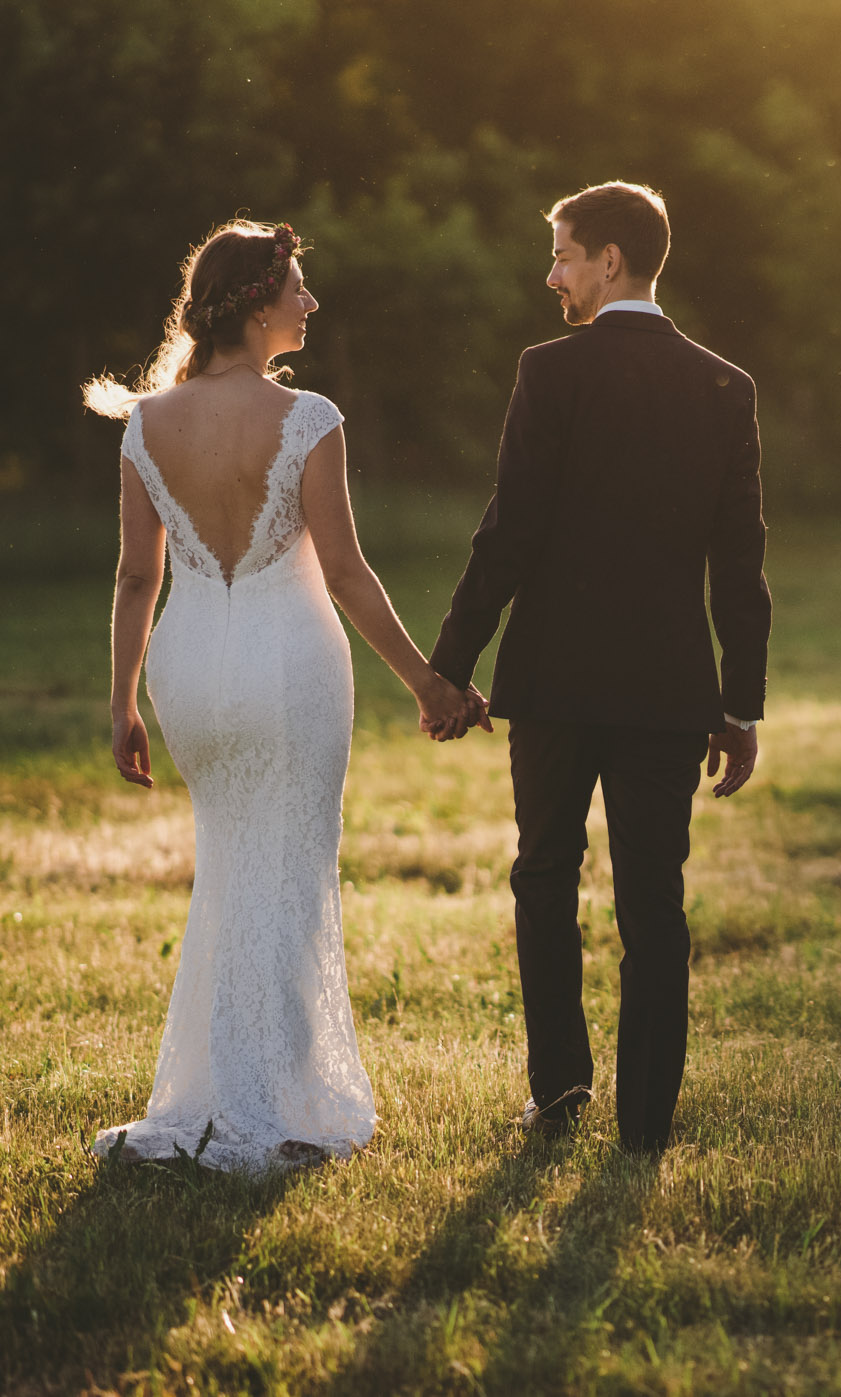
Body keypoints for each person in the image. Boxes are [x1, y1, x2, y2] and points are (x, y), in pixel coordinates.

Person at [83, 220, 486, 1174]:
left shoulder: (148, 424)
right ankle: (264, 1116)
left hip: (190, 671)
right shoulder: (310, 421)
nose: (310, 303)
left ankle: (218, 1096)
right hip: (289, 666)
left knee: (229, 871)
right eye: (299, 288)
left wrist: (122, 704)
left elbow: (136, 580)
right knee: (289, 880)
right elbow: (344, 571)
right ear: (258, 304)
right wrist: (427, 681)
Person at [430, 181, 772, 1155]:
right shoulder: (724, 384)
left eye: (565, 256)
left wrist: (450, 665)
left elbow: (509, 534)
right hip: (669, 690)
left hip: (555, 680)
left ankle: (562, 1087)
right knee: (653, 901)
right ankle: (647, 1123)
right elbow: (739, 559)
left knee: (544, 876)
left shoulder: (549, 372)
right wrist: (738, 701)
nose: (554, 277)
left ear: (610, 260)